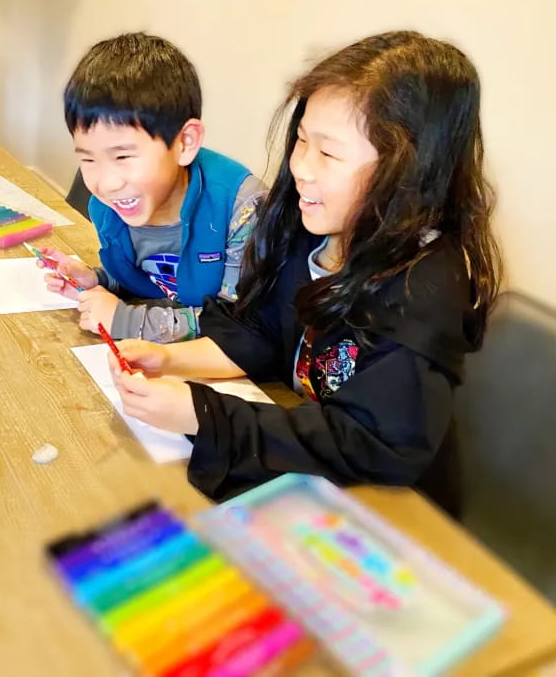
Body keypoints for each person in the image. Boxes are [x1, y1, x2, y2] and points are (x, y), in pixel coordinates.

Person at [108, 31, 501, 513]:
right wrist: (171, 359)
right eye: (300, 141)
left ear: (410, 168)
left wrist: (201, 413)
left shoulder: (423, 288)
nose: (301, 169)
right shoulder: (315, 229)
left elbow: (369, 444)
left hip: (391, 514)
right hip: (310, 478)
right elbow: (263, 329)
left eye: (329, 153)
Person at [37, 32, 265, 343]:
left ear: (184, 143)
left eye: (123, 156)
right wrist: (97, 281)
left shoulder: (243, 207)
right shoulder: (109, 206)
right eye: (88, 160)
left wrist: (130, 321)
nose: (106, 183)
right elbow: (154, 280)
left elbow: (239, 323)